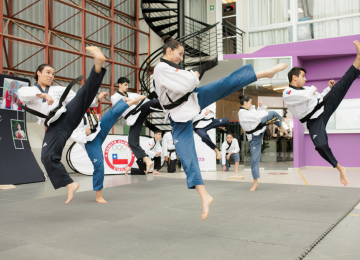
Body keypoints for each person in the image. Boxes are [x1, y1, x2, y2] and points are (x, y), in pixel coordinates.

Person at [153, 35, 288, 220]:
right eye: (180, 54)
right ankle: (205, 196)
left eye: (183, 54)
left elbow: (189, 84)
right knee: (186, 157)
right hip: (178, 116)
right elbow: (190, 82)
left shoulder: (171, 68)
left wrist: (194, 75)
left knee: (226, 83)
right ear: (169, 51)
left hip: (193, 100)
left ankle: (266, 73)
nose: (181, 58)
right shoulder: (161, 68)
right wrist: (195, 74)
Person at [18, 46, 107, 204]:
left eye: (53, 74)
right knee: (47, 157)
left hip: (67, 115)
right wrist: (43, 94)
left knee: (82, 94)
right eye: (47, 72)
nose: (51, 76)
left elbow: (79, 99)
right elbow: (22, 95)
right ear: (38, 73)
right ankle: (70, 184)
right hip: (54, 126)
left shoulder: (57, 89)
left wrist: (97, 99)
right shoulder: (29, 91)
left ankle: (98, 64)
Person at [283, 40, 360, 187]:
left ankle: (358, 59)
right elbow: (307, 96)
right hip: (313, 122)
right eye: (303, 76)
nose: (305, 79)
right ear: (294, 77)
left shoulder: (306, 89)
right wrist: (313, 88)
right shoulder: (287, 92)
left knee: (342, 84)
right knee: (320, 145)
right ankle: (339, 167)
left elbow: (316, 98)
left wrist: (327, 89)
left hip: (323, 106)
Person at [71, 92, 146, 203]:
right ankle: (99, 196)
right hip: (90, 141)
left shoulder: (85, 107)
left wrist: (98, 98)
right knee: (99, 165)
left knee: (111, 115)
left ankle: (129, 102)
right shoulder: (70, 116)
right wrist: (85, 134)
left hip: (99, 129)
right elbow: (73, 134)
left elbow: (91, 102)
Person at [111, 77, 163, 174]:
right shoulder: (115, 97)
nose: (127, 87)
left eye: (128, 85)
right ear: (119, 84)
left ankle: (168, 107)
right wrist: (134, 100)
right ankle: (147, 160)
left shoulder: (131, 94)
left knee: (153, 102)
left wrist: (135, 100)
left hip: (140, 112)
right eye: (125, 85)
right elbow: (122, 104)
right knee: (132, 142)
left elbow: (143, 98)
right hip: (133, 118)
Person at [238, 96, 288, 191]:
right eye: (250, 102)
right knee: (254, 160)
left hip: (260, 126)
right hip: (254, 137)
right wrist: (264, 112)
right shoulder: (242, 113)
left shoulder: (248, 110)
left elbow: (255, 114)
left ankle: (281, 126)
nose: (251, 104)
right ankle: (255, 183)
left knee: (274, 114)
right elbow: (254, 116)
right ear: (245, 103)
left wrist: (260, 108)